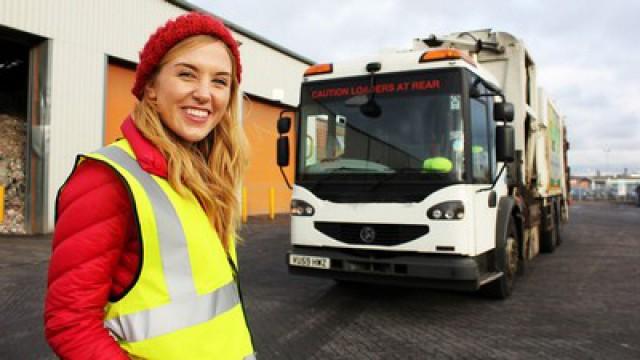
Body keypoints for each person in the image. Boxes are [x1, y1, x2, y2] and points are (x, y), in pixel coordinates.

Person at [44, 12, 255, 359]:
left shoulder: (203, 179)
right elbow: (69, 324)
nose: (205, 94)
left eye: (220, 81)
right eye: (187, 74)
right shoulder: (108, 179)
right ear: (151, 88)